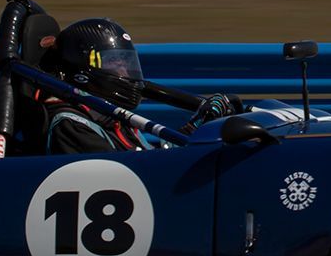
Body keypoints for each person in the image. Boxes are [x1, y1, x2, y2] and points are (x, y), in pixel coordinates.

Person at [23, 17, 239, 155]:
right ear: (83, 70)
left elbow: (147, 158)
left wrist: (194, 130)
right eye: (114, 61)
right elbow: (136, 176)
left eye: (127, 62)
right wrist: (192, 134)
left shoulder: (111, 118)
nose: (125, 71)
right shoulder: (71, 125)